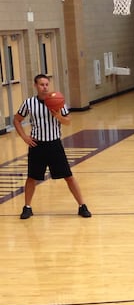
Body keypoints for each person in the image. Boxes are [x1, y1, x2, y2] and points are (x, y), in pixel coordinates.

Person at [14, 74, 92, 219]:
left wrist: (58, 116)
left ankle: (82, 206)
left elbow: (68, 121)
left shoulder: (58, 101)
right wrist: (24, 137)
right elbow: (17, 120)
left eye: (46, 84)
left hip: (55, 144)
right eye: (41, 84)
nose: (44, 87)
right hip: (37, 145)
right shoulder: (29, 103)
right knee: (31, 177)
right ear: (35, 86)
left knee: (68, 176)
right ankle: (27, 207)